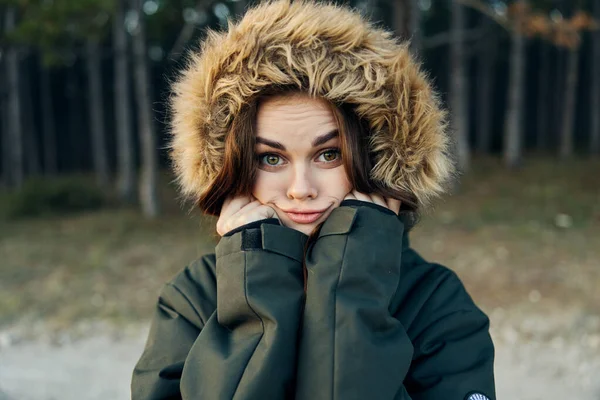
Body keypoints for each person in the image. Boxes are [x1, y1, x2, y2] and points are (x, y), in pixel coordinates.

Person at [131, 1, 496, 399]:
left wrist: (352, 289)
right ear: (232, 168)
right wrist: (253, 302)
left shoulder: (434, 302)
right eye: (271, 158)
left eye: (329, 154)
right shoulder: (194, 298)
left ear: (376, 157)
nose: (301, 188)